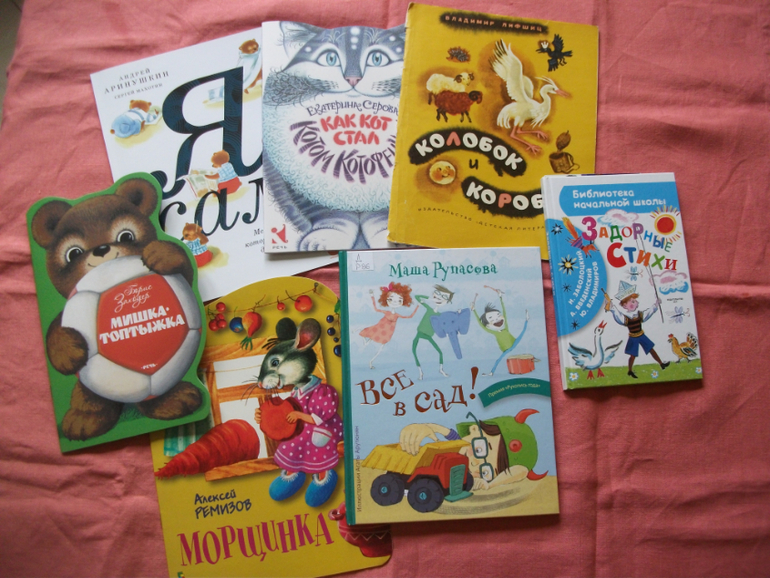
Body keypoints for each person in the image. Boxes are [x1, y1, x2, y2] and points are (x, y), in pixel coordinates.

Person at [398, 414, 533, 491]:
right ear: (474, 429)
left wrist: (490, 484)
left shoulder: (460, 478)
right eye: (478, 450)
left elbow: (522, 470)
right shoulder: (457, 445)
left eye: (485, 472)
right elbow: (448, 434)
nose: (473, 463)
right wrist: (426, 427)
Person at [606, 280, 670, 378]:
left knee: (651, 349)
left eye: (635, 301)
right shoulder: (626, 317)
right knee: (633, 355)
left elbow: (648, 313)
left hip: (641, 335)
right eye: (632, 301)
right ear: (625, 305)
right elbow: (618, 316)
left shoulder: (639, 314)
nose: (636, 302)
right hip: (633, 338)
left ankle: (661, 364)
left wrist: (656, 304)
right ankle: (630, 370)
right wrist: (612, 308)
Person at [471, 287, 528, 376]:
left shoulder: (505, 327)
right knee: (499, 360)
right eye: (491, 319)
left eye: (498, 315)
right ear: (488, 325)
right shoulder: (494, 332)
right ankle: (491, 372)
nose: (497, 319)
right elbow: (481, 324)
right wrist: (474, 310)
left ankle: (527, 320)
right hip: (507, 349)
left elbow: (504, 311)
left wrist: (500, 297)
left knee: (523, 331)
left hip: (514, 342)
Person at [359, 282, 418, 369]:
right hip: (379, 327)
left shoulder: (397, 315)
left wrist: (418, 306)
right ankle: (365, 341)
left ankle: (371, 361)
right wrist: (372, 296)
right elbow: (376, 309)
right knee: (370, 336)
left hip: (387, 333)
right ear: (386, 299)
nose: (395, 302)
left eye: (399, 300)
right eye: (391, 299)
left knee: (381, 347)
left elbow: (410, 316)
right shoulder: (387, 312)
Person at [411, 285, 454, 379]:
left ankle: (441, 370)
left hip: (429, 336)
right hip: (419, 334)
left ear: (447, 301)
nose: (439, 298)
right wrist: (429, 298)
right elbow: (417, 297)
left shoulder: (440, 316)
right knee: (414, 351)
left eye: (444, 297)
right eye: (437, 295)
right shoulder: (429, 309)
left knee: (440, 352)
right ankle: (420, 372)